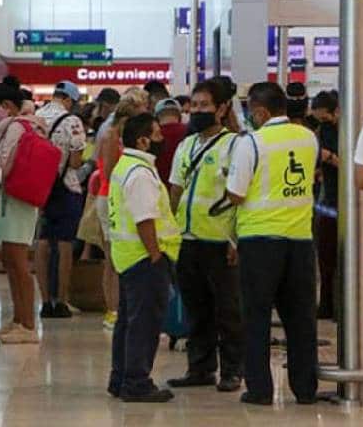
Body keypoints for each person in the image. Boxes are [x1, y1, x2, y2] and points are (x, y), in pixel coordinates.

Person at [226, 82, 318, 405]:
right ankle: (306, 388)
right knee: (301, 317)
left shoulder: (251, 142)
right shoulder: (309, 138)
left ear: (261, 111)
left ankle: (261, 389)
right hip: (300, 240)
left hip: (259, 241)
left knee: (256, 316)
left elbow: (236, 193)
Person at [167, 80, 243, 392]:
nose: (196, 111)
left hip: (220, 240)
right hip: (187, 239)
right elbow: (175, 190)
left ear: (222, 108)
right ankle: (200, 368)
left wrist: (236, 239)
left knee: (228, 310)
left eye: (204, 105)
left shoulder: (236, 145)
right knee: (196, 308)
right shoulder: (186, 145)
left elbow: (243, 195)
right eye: (193, 105)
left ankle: (232, 371)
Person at [106, 113, 182, 403]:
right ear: (143, 140)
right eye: (158, 135)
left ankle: (120, 377)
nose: (163, 139)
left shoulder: (125, 166)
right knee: (144, 323)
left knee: (128, 320)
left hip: (128, 257)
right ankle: (137, 381)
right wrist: (155, 254)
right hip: (144, 258)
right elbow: (144, 219)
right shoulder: (140, 173)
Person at [0, 82, 47, 344]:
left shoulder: (14, 127)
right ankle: (17, 319)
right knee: (12, 261)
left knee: (19, 261)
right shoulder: (19, 126)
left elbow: (4, 162)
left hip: (17, 198)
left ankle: (28, 323)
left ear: (8, 107)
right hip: (13, 197)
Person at [96, 88, 149, 330]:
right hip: (110, 198)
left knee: (124, 257)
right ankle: (113, 310)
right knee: (112, 258)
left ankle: (123, 308)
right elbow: (107, 172)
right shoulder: (111, 136)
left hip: (121, 197)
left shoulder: (123, 136)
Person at [36, 81, 86, 318]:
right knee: (65, 244)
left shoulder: (36, 117)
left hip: (40, 188)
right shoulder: (72, 121)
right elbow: (75, 163)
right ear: (69, 100)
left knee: (43, 242)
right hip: (65, 188)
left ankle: (45, 302)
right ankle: (61, 302)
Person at [312, 91, 339, 319]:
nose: (323, 124)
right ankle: (327, 303)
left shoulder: (351, 131)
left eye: (325, 118)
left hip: (351, 203)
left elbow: (353, 166)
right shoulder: (323, 131)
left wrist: (329, 157)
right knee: (326, 257)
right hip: (327, 201)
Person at [153, 98, 188, 189]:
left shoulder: (151, 135)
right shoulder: (191, 133)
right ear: (179, 116)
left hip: (158, 190)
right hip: (184, 191)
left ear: (156, 117)